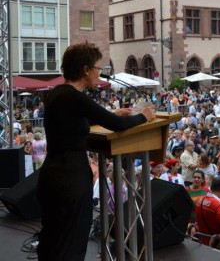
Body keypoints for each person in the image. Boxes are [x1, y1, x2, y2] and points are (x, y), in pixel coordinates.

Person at [37, 43, 155, 261]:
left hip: (54, 172)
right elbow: (116, 125)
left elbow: (76, 122)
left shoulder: (59, 94)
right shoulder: (75, 96)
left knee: (54, 238)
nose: (100, 73)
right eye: (98, 68)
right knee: (71, 242)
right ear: (85, 69)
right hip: (70, 177)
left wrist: (113, 113)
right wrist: (143, 117)